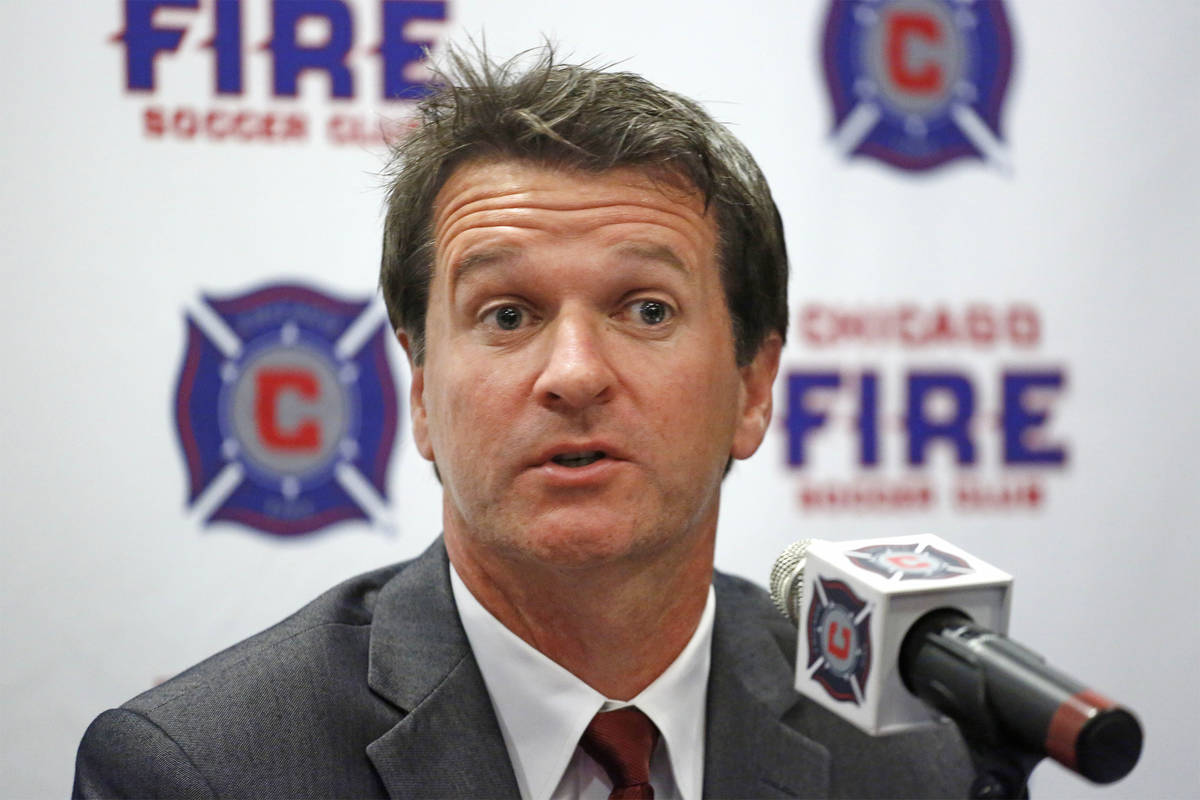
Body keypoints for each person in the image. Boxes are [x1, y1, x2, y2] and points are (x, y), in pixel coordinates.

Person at [74, 47, 972, 799]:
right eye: (507, 315)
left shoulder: (908, 754)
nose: (575, 374)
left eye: (646, 310)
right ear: (421, 392)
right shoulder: (198, 772)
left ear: (753, 385)